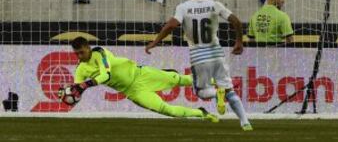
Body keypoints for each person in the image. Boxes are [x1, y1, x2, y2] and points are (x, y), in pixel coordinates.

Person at [146, 0, 253, 131]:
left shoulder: (183, 7)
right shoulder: (215, 4)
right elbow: (236, 21)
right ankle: (245, 122)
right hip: (217, 53)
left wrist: (155, 42)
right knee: (229, 89)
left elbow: (171, 25)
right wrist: (239, 42)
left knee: (202, 93)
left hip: (199, 56)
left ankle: (217, 94)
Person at [59, 37, 219, 122]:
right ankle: (201, 113)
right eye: (77, 53)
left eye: (82, 52)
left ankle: (216, 81)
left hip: (141, 74)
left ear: (88, 48)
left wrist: (84, 85)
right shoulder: (81, 69)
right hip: (133, 91)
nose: (80, 56)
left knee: (181, 79)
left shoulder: (100, 52)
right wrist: (71, 94)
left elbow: (105, 75)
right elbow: (76, 89)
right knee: (166, 110)